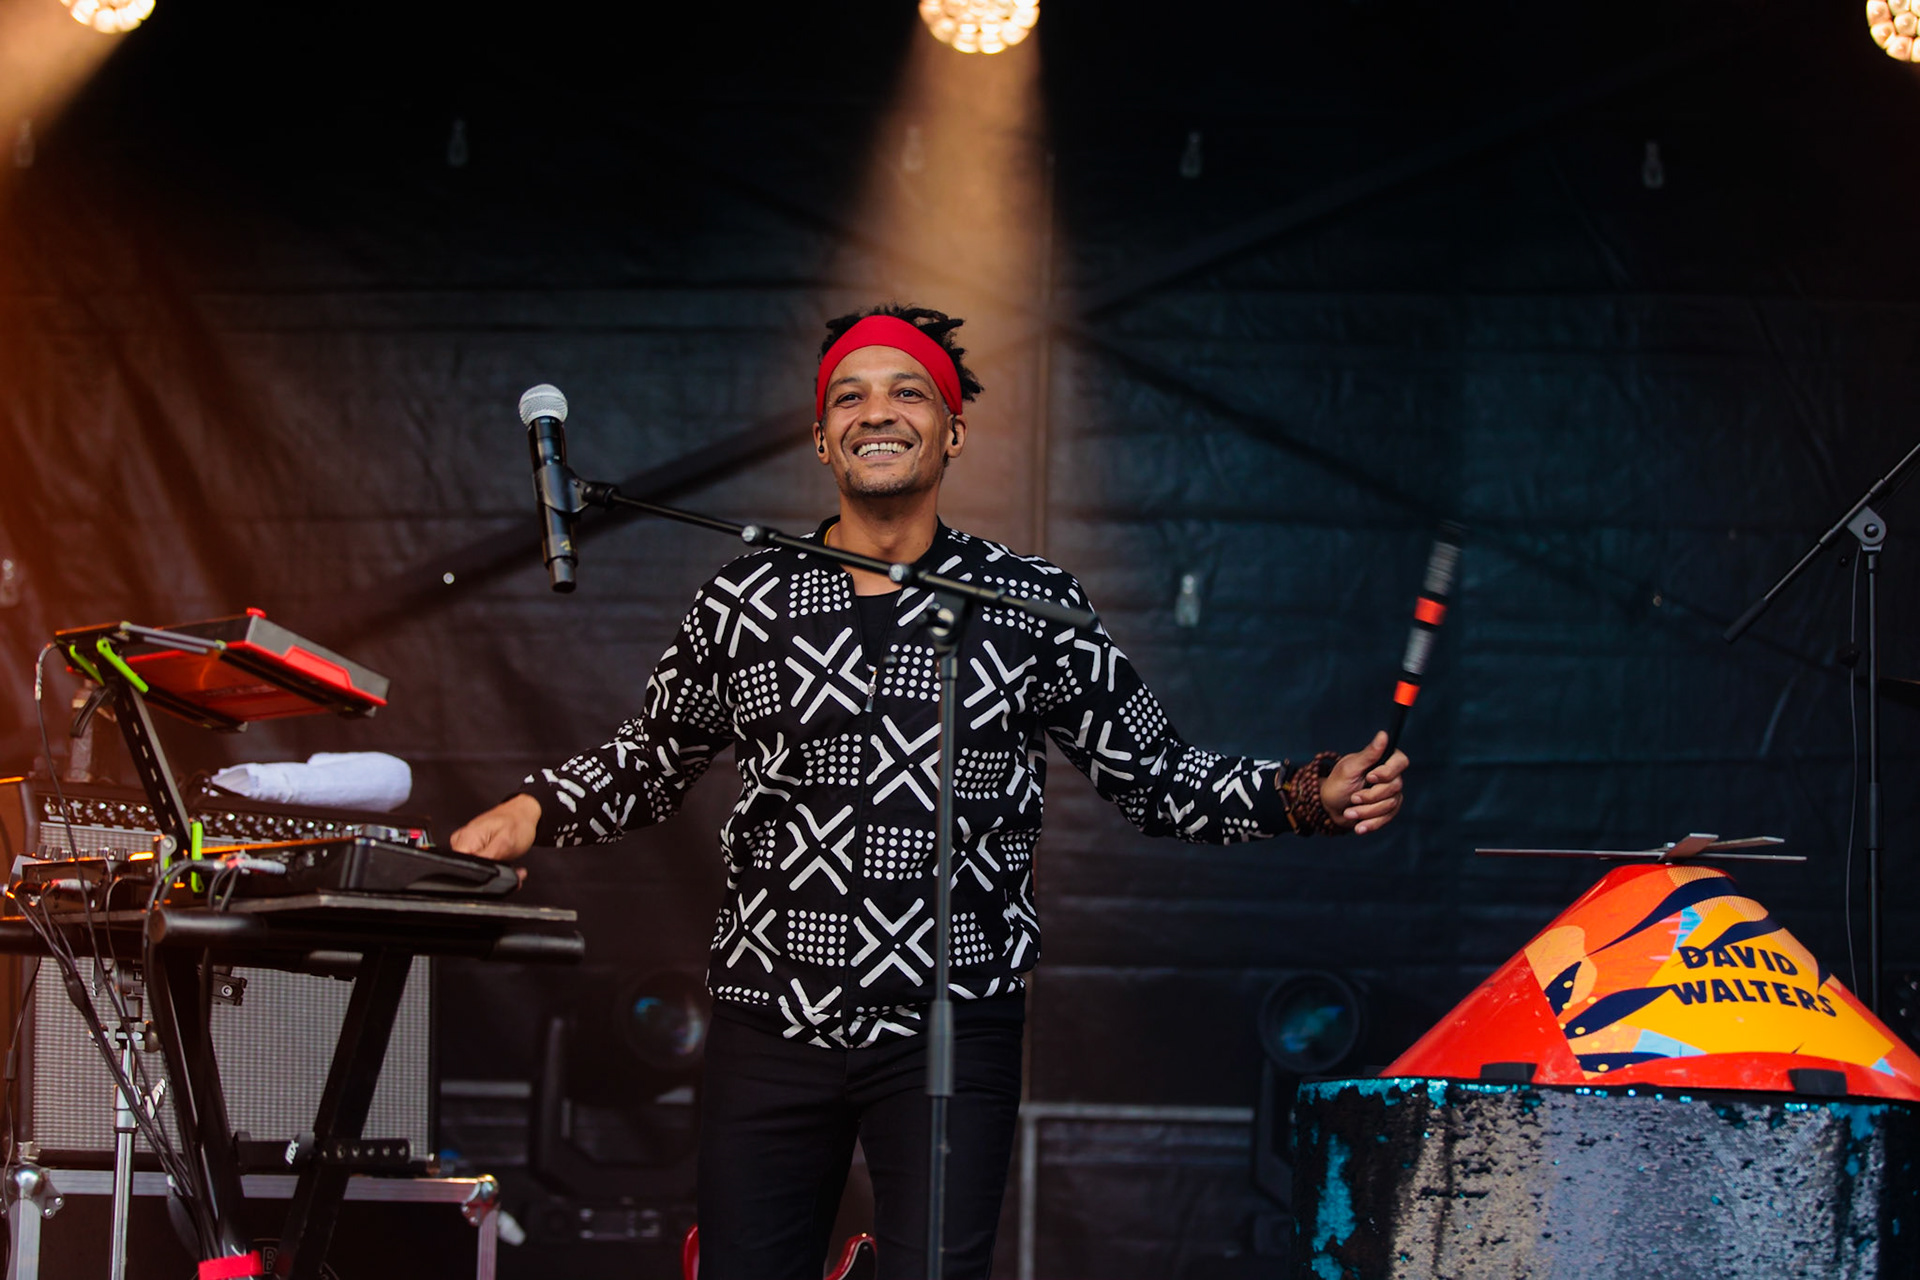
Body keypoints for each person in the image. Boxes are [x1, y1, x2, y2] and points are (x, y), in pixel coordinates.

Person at [449, 304, 1410, 1280]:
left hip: (952, 1029)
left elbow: (1155, 777)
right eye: (849, 395)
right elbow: (651, 758)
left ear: (952, 429)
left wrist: (1305, 792)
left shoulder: (1029, 606)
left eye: (908, 389)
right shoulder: (745, 601)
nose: (878, 411)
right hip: (770, 1018)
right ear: (822, 436)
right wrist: (530, 809)